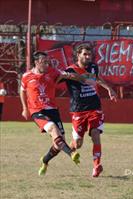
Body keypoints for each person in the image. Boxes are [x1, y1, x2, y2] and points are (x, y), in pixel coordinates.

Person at [20, 51, 82, 176]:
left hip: (52, 110)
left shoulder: (53, 72)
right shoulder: (26, 76)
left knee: (58, 144)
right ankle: (71, 153)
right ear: (36, 62)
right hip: (37, 111)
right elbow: (22, 90)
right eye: (44, 61)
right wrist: (25, 108)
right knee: (53, 128)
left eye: (48, 61)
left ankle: (45, 160)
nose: (47, 63)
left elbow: (68, 75)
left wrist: (85, 78)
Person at [64, 44, 117, 177]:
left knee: (95, 134)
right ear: (78, 55)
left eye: (89, 55)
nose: (88, 57)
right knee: (77, 144)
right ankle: (63, 148)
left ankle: (96, 165)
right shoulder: (70, 70)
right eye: (85, 55)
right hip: (78, 110)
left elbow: (96, 78)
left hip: (95, 107)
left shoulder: (93, 67)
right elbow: (61, 79)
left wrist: (108, 88)